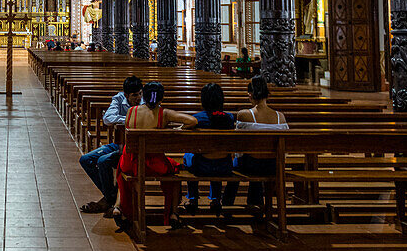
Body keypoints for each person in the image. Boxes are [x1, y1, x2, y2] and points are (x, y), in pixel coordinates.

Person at [113, 81, 198, 231]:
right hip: (152, 163)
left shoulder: (131, 111)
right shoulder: (164, 113)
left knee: (122, 169)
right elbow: (193, 120)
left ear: (144, 96)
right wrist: (179, 128)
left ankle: (119, 208)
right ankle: (173, 213)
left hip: (130, 159)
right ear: (161, 98)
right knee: (174, 169)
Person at [225, 76, 288, 219]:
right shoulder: (281, 117)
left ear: (250, 94)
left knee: (236, 164)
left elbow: (238, 144)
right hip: (273, 166)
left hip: (251, 165)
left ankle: (227, 204)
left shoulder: (244, 115)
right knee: (256, 159)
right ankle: (256, 201)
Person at [79, 76, 142, 216]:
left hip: (136, 148)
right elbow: (108, 119)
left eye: (139, 94)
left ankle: (109, 200)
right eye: (134, 95)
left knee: (103, 161)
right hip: (119, 145)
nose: (138, 98)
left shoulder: (146, 101)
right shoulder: (118, 99)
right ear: (126, 95)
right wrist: (131, 119)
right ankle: (112, 197)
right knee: (86, 160)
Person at [182, 82, 237, 220]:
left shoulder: (197, 119)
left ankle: (193, 197)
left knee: (190, 155)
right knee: (217, 153)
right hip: (224, 166)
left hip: (201, 167)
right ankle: (215, 198)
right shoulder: (229, 118)